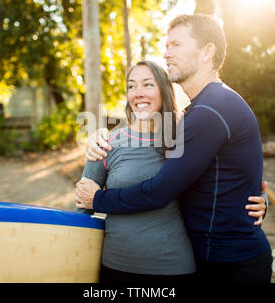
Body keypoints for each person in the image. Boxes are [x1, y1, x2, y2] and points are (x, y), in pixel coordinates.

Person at [75, 14, 272, 283]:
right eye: (166, 46)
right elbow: (233, 175)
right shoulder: (198, 112)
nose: (166, 54)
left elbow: (160, 191)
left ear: (207, 52)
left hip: (231, 266)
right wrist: (100, 136)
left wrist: (98, 199)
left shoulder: (212, 109)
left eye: (176, 45)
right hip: (204, 257)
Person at [79, 60, 197, 284]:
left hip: (174, 268)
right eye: (131, 86)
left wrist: (261, 199)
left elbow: (225, 178)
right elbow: (81, 209)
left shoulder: (185, 138)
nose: (138, 93)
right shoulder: (107, 143)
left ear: (164, 90)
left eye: (147, 85)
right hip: (116, 266)